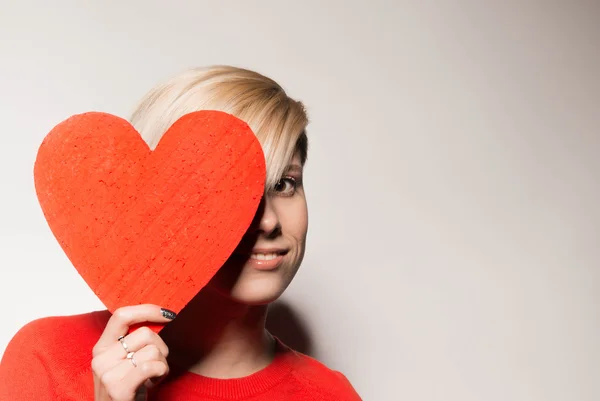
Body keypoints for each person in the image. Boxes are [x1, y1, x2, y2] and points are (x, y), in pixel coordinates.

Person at [0, 65, 362, 400]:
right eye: (229, 186)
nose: (268, 222)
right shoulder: (46, 359)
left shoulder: (331, 394)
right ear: (160, 203)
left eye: (284, 184)